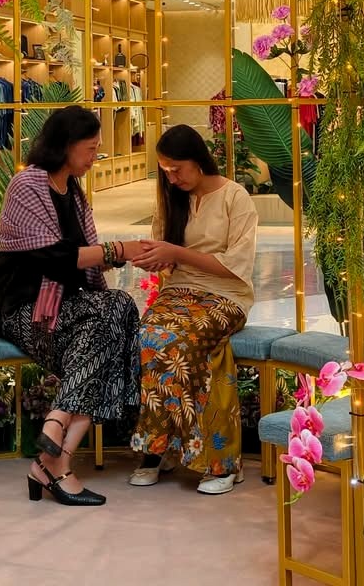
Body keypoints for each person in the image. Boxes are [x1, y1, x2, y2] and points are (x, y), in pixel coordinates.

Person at [0, 105, 145, 507]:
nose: (95, 156)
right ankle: (56, 461)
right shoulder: (29, 185)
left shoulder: (73, 192)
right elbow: (56, 258)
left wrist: (117, 253)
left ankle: (52, 449)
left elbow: (79, 264)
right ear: (66, 146)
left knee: (118, 310)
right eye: (90, 148)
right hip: (25, 310)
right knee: (111, 326)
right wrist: (116, 250)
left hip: (67, 310)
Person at [129, 124, 258, 495]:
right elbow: (167, 260)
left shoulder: (235, 197)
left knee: (183, 343)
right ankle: (160, 448)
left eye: (177, 168)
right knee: (149, 338)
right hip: (179, 293)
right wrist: (153, 258)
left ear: (198, 161)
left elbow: (237, 266)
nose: (171, 177)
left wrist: (176, 253)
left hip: (226, 296)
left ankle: (218, 462)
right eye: (165, 170)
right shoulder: (172, 199)